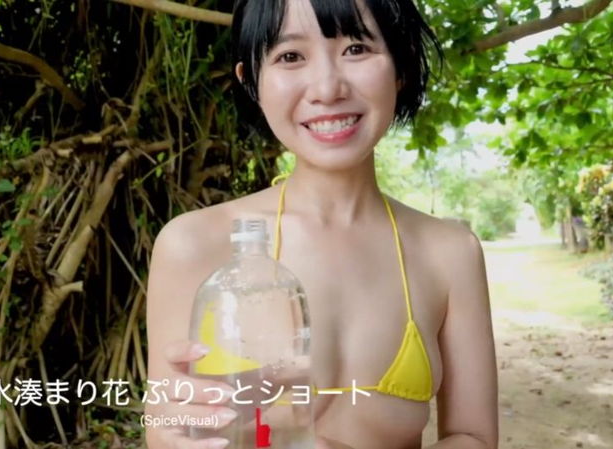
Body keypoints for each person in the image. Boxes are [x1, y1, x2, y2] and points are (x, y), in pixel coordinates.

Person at [144, 0, 498, 448]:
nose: (328, 88)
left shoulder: (450, 253)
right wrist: (176, 433)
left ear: (402, 64)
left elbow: (473, 436)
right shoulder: (193, 245)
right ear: (251, 82)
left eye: (356, 48)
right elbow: (167, 430)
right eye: (290, 56)